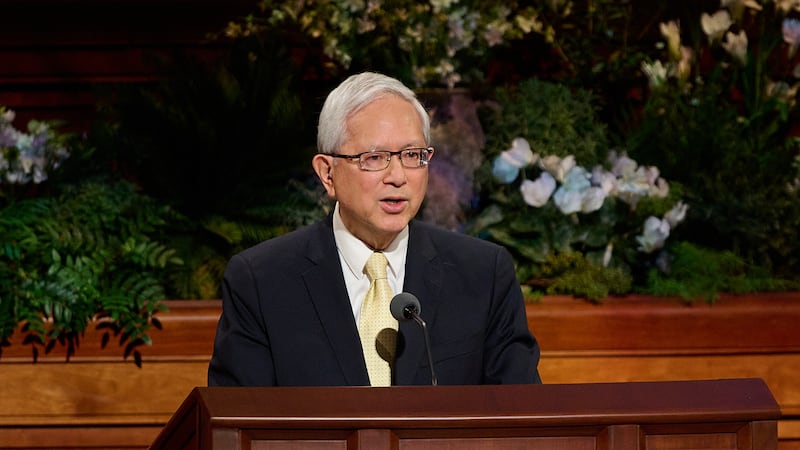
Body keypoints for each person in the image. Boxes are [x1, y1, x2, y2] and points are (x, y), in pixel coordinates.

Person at [207, 71, 542, 386]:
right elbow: (236, 427)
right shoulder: (261, 281)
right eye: (375, 157)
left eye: (412, 155)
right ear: (328, 173)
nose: (398, 176)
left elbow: (524, 416)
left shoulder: (483, 274)